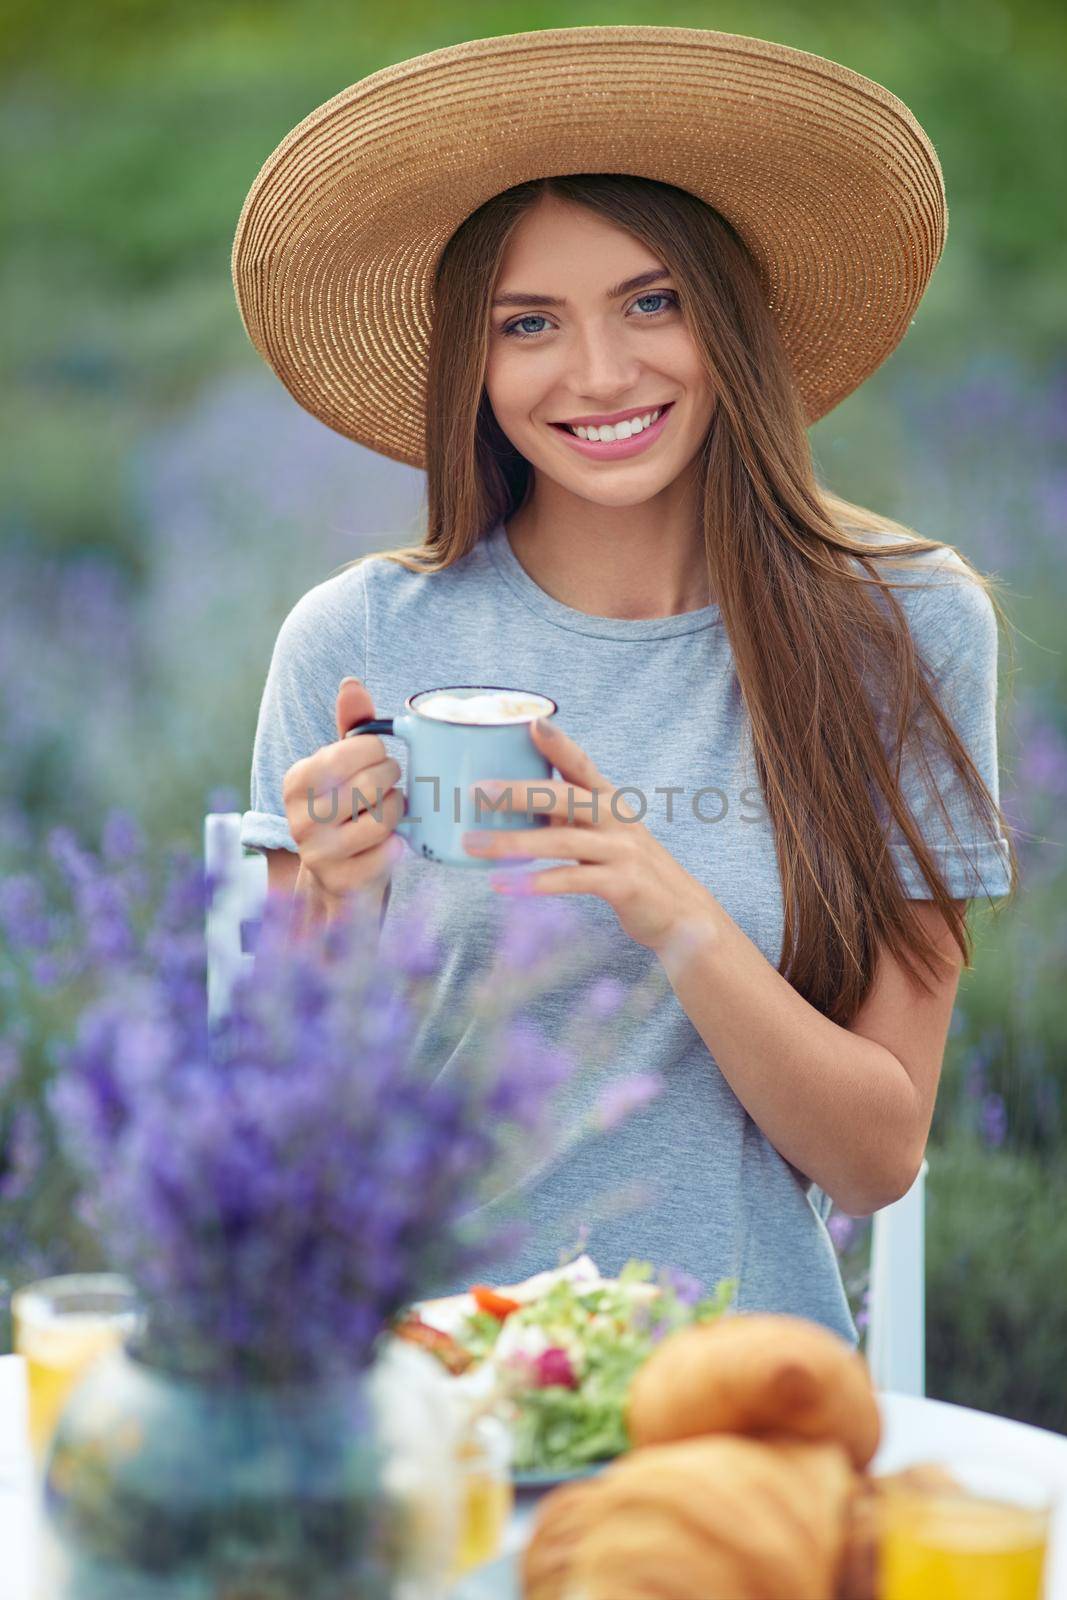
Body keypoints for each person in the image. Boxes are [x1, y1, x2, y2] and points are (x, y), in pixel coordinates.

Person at [232, 27, 1017, 1342]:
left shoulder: (903, 626)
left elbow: (878, 1156)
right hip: (427, 1390)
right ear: (471, 368)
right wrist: (327, 901)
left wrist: (672, 911)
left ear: (732, 320)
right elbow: (278, 1147)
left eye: (653, 302)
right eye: (527, 324)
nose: (598, 374)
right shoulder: (358, 638)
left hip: (741, 1398)